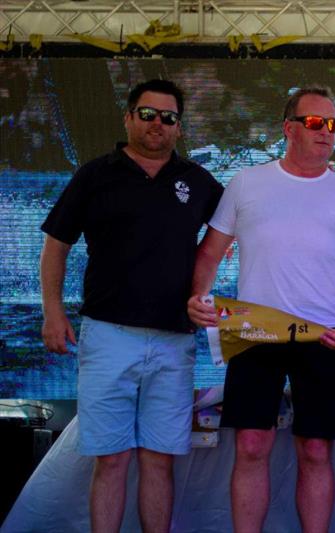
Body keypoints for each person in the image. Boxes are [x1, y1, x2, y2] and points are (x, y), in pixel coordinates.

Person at [187, 84, 335, 533]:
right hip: (254, 332)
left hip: (325, 338)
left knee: (316, 450)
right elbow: (210, 253)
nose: (326, 132)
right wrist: (198, 297)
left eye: (332, 124)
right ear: (288, 129)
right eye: (315, 122)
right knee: (252, 445)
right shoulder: (246, 182)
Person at [40, 79, 224, 532]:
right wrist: (52, 311)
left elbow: (231, 236)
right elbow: (55, 244)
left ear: (179, 127)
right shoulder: (95, 174)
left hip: (174, 341)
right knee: (112, 459)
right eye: (147, 114)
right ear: (127, 117)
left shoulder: (198, 182)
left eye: (168, 117)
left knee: (159, 460)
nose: (157, 124)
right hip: (107, 335)